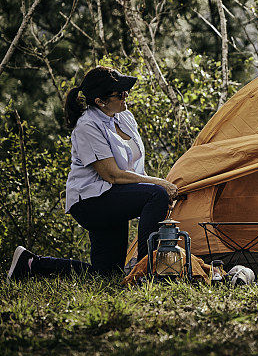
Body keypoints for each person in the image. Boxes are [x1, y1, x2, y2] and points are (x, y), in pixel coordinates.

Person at [7, 67, 179, 281]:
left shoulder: (124, 117)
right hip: (91, 201)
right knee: (157, 194)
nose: (126, 95)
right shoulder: (87, 126)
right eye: (120, 93)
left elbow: (134, 170)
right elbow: (112, 175)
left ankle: (31, 264)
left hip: (113, 196)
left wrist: (149, 191)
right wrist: (157, 187)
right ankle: (145, 273)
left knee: (107, 275)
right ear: (100, 101)